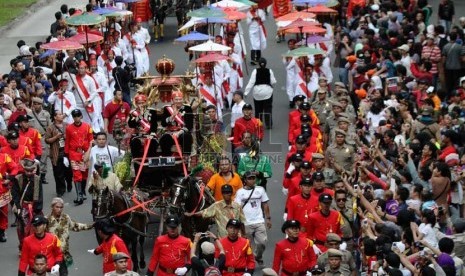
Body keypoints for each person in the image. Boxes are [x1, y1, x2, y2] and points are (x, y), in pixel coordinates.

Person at [46, 197, 93, 276]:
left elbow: (75, 226)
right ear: (52, 207)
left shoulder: (66, 218)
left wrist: (91, 226)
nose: (59, 209)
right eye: (57, 207)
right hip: (50, 255)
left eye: (61, 207)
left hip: (63, 255)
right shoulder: (46, 220)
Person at [234, 170, 272, 266]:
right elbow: (237, 208)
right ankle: (248, 263)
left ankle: (258, 256)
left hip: (259, 221)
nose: (252, 180)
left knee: (262, 242)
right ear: (245, 180)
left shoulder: (260, 190)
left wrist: (268, 218)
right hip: (246, 223)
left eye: (253, 178)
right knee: (246, 245)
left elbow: (265, 204)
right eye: (249, 178)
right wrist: (238, 223)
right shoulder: (240, 192)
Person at [11, 159, 43, 251]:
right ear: (24, 170)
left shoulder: (37, 179)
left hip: (35, 206)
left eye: (31, 171)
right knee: (22, 228)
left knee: (39, 226)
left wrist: (37, 208)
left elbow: (40, 194)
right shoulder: (18, 178)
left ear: (34, 170)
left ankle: (36, 246)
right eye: (27, 171)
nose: (29, 173)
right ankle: (23, 247)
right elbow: (15, 194)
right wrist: (18, 207)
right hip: (23, 205)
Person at [65, 109, 94, 205]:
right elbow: (67, 142)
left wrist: (90, 151)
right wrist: (66, 155)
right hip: (74, 154)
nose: (76, 118)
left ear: (81, 116)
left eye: (78, 116)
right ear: (73, 117)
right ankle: (79, 196)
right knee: (77, 175)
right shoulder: (69, 128)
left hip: (85, 155)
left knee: (84, 174)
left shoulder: (87, 127)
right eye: (74, 116)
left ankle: (83, 191)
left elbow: (91, 140)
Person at [44, 110, 73, 197]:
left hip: (67, 152)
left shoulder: (67, 125)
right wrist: (56, 137)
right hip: (56, 153)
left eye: (62, 114)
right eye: (59, 114)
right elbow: (47, 140)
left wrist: (66, 137)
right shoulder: (50, 128)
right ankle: (60, 189)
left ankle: (69, 182)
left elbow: (72, 137)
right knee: (58, 173)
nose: (62, 115)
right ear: (55, 117)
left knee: (69, 172)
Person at [69, 60, 103, 131]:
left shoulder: (90, 79)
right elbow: (69, 92)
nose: (80, 70)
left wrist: (88, 101)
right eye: (79, 68)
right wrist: (72, 88)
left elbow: (94, 92)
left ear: (85, 69)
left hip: (86, 104)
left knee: (87, 123)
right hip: (77, 104)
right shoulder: (74, 78)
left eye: (82, 68)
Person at [244, 58, 276, 129]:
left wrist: (246, 92)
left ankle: (258, 124)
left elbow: (251, 82)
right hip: (267, 92)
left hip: (257, 93)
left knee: (258, 109)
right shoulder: (269, 71)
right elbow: (273, 82)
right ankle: (269, 124)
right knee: (268, 108)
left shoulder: (255, 71)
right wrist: (271, 87)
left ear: (258, 64)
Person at [160, 90, 194, 156]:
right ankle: (167, 158)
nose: (178, 101)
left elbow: (189, 125)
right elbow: (163, 123)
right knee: (165, 138)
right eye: (176, 99)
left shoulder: (187, 108)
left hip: (182, 132)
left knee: (186, 136)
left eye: (180, 99)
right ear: (172, 100)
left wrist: (179, 133)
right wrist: (172, 116)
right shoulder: (167, 108)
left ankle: (186, 157)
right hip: (170, 133)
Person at [127, 94, 158, 158]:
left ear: (145, 103)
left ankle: (150, 161)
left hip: (149, 135)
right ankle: (137, 162)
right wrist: (140, 116)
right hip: (138, 135)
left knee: (153, 143)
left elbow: (154, 124)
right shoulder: (133, 113)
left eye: (142, 103)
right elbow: (131, 125)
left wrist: (152, 134)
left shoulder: (151, 112)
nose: (141, 105)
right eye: (139, 103)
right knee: (135, 143)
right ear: (136, 104)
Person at [30, 97, 51, 184]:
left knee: (43, 157)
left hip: (42, 137)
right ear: (33, 105)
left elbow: (49, 127)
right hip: (32, 139)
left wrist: (48, 139)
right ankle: (32, 174)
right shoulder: (29, 114)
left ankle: (42, 176)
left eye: (38, 104)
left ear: (41, 105)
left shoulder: (46, 114)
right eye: (35, 104)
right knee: (32, 156)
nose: (37, 106)